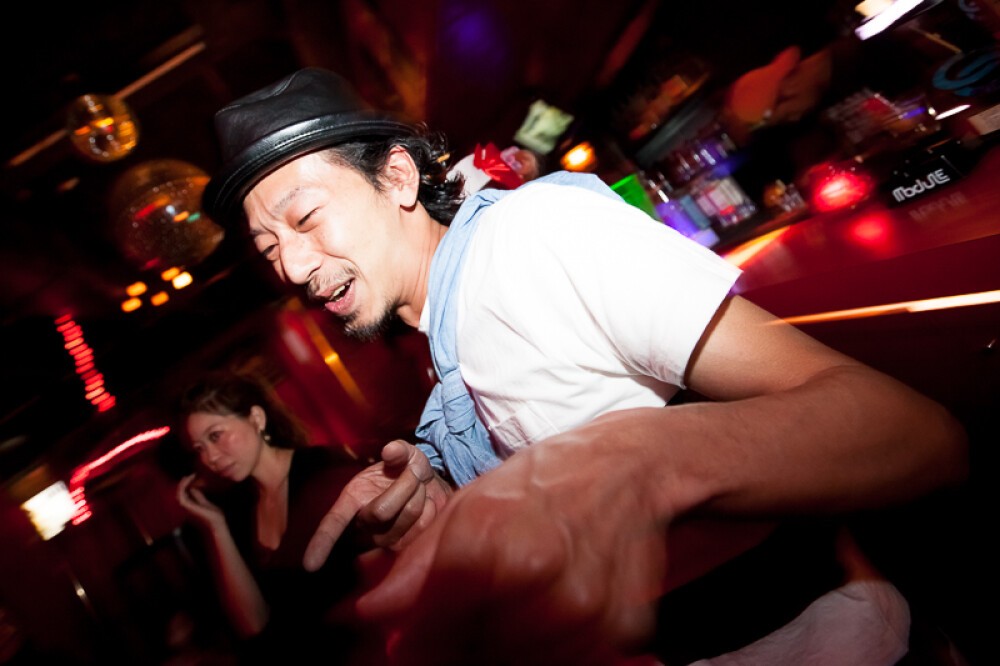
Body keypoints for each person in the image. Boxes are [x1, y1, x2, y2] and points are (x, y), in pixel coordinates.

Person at [201, 67, 969, 664]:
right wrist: (451, 499)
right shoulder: (443, 329)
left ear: (398, 178)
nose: (293, 266)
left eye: (305, 218)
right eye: (270, 249)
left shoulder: (533, 239)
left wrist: (645, 459)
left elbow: (914, 433)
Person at [174, 368, 405, 665]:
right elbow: (252, 625)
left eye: (216, 436)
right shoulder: (243, 508)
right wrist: (215, 527)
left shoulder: (325, 474)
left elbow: (388, 587)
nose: (210, 458)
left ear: (256, 418)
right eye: (199, 449)